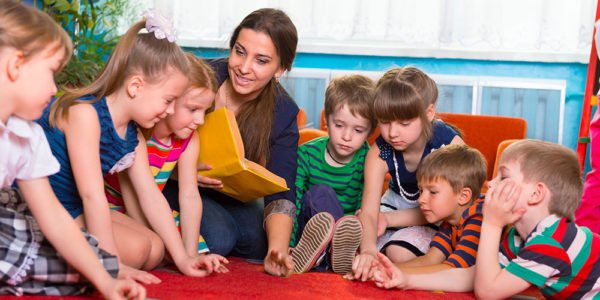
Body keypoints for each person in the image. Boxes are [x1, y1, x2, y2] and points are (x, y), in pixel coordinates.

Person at [37, 11, 225, 282]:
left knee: (155, 249)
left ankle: (86, 256)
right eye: (168, 100)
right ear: (136, 86)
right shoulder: (86, 115)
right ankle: (66, 261)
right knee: (137, 251)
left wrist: (185, 258)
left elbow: (152, 197)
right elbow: (93, 196)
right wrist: (110, 264)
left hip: (74, 205)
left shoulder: (132, 136)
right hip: (48, 206)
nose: (170, 110)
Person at [0, 1, 145, 298]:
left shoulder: (27, 135)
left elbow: (52, 214)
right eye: (51, 73)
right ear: (16, 65)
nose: (55, 89)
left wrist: (106, 281)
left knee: (93, 261)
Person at [163, 8, 300, 277]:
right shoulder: (199, 77)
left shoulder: (283, 112)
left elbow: (281, 192)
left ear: (280, 69)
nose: (244, 67)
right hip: (170, 179)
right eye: (239, 51)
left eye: (261, 61)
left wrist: (278, 250)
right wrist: (181, 173)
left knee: (258, 241)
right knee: (220, 237)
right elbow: (150, 137)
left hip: (228, 193)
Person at [103, 53, 226, 265]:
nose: (199, 120)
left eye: (204, 111)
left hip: (153, 208)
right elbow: (135, 201)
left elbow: (189, 196)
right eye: (193, 109)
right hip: (118, 209)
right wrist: (172, 251)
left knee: (195, 247)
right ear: (170, 100)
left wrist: (190, 255)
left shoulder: (189, 140)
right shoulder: (137, 134)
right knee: (153, 250)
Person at [351, 67, 464, 281]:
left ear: (429, 114)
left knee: (398, 252)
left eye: (404, 123)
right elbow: (369, 211)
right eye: (385, 122)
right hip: (393, 204)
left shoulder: (448, 146)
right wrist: (367, 250)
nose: (393, 133)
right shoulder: (380, 152)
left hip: (436, 215)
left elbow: (450, 210)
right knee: (360, 235)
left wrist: (389, 219)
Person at [474, 140, 599, 299]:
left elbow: (487, 292)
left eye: (503, 177)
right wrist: (431, 278)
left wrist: (492, 224)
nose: (490, 183)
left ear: (535, 194)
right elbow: (481, 274)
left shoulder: (550, 242)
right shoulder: (518, 236)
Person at [369, 144, 487, 290]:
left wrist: (394, 271)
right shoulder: (450, 220)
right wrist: (385, 268)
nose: (421, 199)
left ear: (463, 196)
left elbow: (453, 270)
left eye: (433, 192)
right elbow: (431, 259)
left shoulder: (478, 217)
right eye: (421, 190)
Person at [291, 75, 376, 274]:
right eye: (339, 125)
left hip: (345, 242)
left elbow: (365, 207)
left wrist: (361, 248)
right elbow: (292, 202)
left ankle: (329, 260)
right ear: (326, 121)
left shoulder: (368, 159)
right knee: (322, 193)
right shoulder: (307, 154)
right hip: (309, 234)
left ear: (370, 131)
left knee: (358, 216)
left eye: (358, 130)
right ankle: (320, 255)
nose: (347, 136)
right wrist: (289, 245)